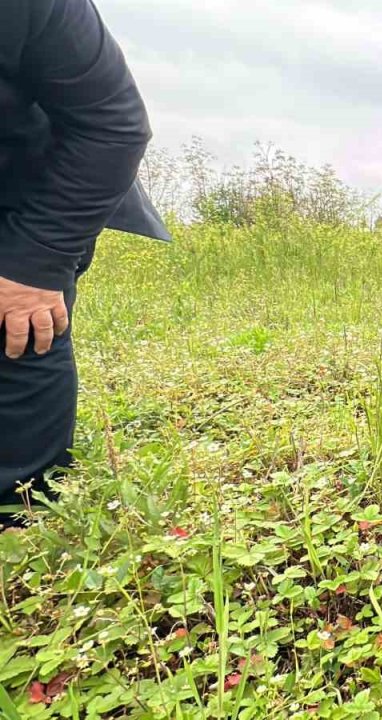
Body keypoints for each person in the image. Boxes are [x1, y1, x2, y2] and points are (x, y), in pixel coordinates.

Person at [0, 0, 170, 516]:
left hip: (27, 196)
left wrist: (35, 263)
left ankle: (21, 525)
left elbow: (112, 124)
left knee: (18, 334)